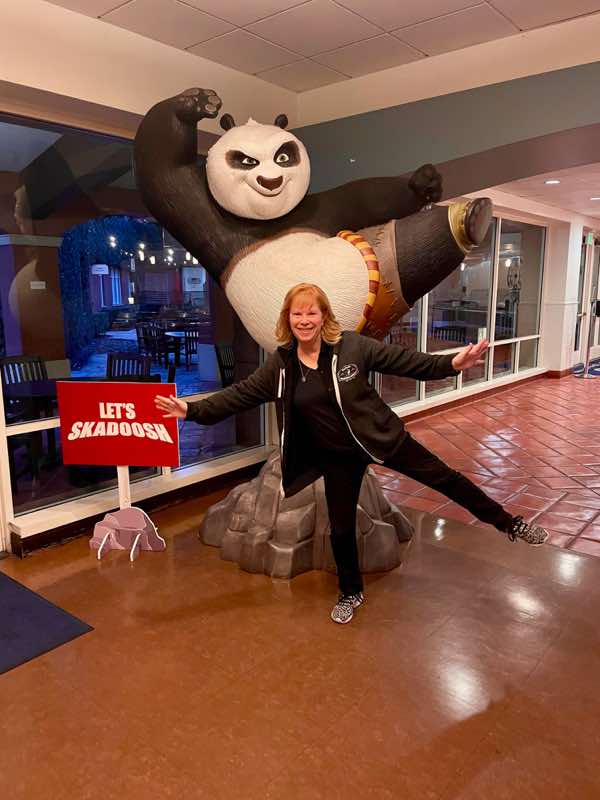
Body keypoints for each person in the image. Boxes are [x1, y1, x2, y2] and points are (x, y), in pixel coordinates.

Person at [155, 283, 548, 625]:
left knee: (445, 478)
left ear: (323, 315)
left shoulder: (352, 347)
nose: (304, 320)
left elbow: (407, 361)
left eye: (311, 312)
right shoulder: (282, 365)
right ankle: (350, 592)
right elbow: (238, 396)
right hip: (336, 458)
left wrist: (451, 363)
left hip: (381, 438)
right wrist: (191, 409)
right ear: (288, 319)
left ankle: (510, 524)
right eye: (297, 314)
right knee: (341, 529)